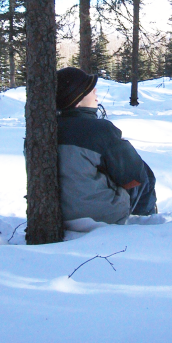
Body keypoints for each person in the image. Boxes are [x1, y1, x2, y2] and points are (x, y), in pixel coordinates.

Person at [56, 67, 157, 225]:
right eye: (89, 89)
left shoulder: (43, 130)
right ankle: (143, 225)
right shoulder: (99, 130)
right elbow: (133, 174)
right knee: (144, 174)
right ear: (76, 100)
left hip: (58, 215)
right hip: (101, 215)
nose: (95, 91)